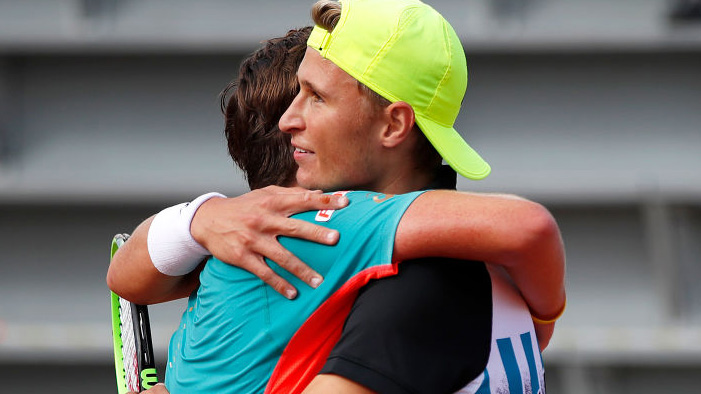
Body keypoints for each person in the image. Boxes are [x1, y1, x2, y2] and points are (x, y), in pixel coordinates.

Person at [111, 1, 565, 393]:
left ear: (393, 125)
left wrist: (203, 217)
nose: (291, 118)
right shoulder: (492, 276)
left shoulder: (335, 238)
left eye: (316, 97)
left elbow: (124, 275)